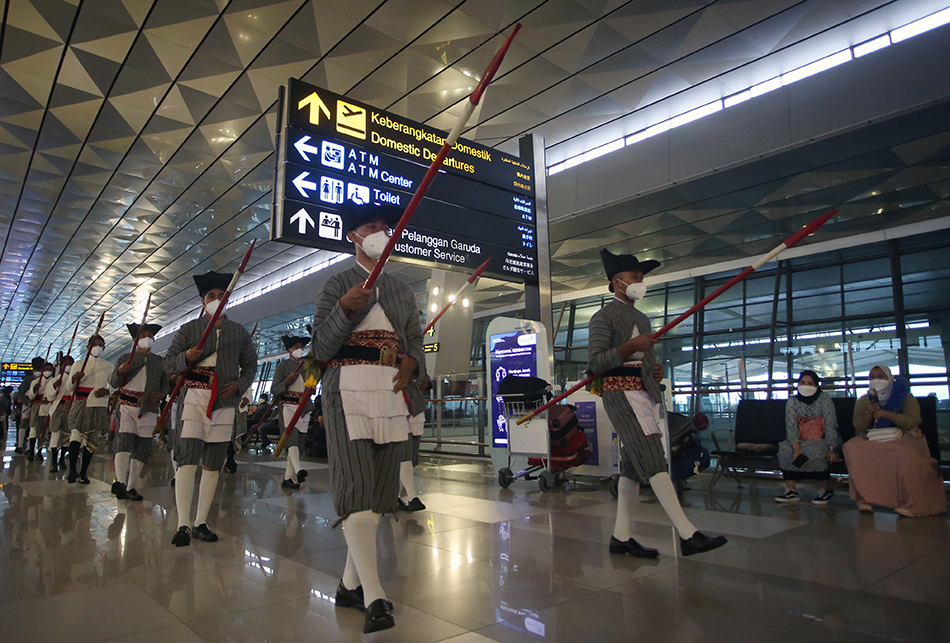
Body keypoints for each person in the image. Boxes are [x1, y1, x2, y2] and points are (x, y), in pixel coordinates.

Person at [312, 203, 423, 633]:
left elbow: (413, 338)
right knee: (356, 484)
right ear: (353, 236)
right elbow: (320, 349)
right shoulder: (336, 284)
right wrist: (344, 309)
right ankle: (374, 596)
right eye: (371, 226)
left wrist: (412, 360)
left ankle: (348, 585)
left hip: (390, 390)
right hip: (347, 388)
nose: (381, 233)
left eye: (385, 227)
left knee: (379, 490)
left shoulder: (401, 290)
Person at [591, 249, 728, 558]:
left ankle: (621, 537)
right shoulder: (603, 317)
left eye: (641, 277)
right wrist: (630, 346)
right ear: (617, 281)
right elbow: (596, 362)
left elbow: (646, 359)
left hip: (643, 393)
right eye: (635, 276)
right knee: (654, 459)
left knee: (631, 467)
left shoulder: (641, 318)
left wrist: (654, 370)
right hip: (620, 394)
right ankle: (688, 534)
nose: (640, 281)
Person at [165, 271, 258, 546]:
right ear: (202, 300)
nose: (216, 299)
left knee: (212, 464)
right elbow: (168, 362)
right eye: (211, 296)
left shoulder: (239, 332)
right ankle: (183, 524)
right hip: (193, 399)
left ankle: (201, 521)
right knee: (187, 461)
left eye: (221, 296)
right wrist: (185, 357)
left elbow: (251, 364)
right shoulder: (189, 329)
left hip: (224, 403)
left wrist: (239, 384)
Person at [842, 365, 945, 517]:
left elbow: (911, 421)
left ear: (889, 378)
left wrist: (886, 414)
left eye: (880, 376)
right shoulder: (865, 400)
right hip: (875, 436)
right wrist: (869, 413)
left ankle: (911, 503)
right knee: (852, 447)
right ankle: (864, 498)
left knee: (903, 453)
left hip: (905, 435)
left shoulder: (905, 397)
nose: (876, 380)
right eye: (872, 377)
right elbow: (859, 425)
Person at [110, 323, 171, 501]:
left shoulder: (160, 361)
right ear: (136, 340)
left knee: (143, 446)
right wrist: (120, 371)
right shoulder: (125, 358)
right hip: (126, 406)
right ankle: (121, 482)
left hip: (149, 407)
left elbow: (166, 383)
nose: (147, 339)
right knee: (123, 441)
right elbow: (114, 382)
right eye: (143, 336)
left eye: (150, 336)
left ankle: (132, 486)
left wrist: (162, 394)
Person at [775, 370, 841, 504]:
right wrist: (796, 447)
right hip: (799, 438)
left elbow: (830, 423)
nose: (805, 386)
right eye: (802, 382)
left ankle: (826, 489)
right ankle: (791, 490)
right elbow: (791, 425)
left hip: (822, 437)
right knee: (785, 450)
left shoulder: (824, 399)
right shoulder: (792, 401)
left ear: (816, 385)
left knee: (816, 450)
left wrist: (831, 447)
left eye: (810, 383)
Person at [67, 336, 114, 484]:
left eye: (101, 345)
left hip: (98, 404)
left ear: (104, 347)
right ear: (88, 347)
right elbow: (69, 387)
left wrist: (107, 391)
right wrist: (74, 378)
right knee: (76, 434)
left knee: (91, 439)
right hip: (80, 403)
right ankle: (72, 469)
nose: (97, 347)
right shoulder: (78, 364)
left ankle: (83, 472)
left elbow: (115, 385)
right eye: (95, 344)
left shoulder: (108, 366)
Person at [271, 331, 314, 490]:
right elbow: (274, 389)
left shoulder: (308, 366)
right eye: (296, 346)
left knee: (299, 441)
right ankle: (299, 470)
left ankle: (288, 478)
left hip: (303, 407)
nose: (300, 349)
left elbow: (311, 385)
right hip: (288, 406)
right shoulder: (282, 366)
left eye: (302, 346)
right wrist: (286, 382)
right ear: (289, 349)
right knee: (292, 439)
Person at [398, 375, 429, 512]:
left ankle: (401, 497)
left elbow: (425, 376)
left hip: (412, 407)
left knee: (408, 456)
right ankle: (411, 496)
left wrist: (427, 383)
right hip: (403, 406)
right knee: (405, 454)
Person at [44, 355, 75, 473]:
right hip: (58, 408)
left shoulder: (75, 378)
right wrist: (54, 387)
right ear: (61, 365)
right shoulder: (55, 380)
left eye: (70, 363)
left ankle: (62, 459)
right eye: (66, 363)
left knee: (67, 435)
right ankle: (53, 462)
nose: (68, 366)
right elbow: (49, 396)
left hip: (70, 408)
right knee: (55, 434)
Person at [15, 357, 45, 454]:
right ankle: (20, 445)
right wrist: (27, 402)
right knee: (24, 423)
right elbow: (20, 394)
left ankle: (30, 447)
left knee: (35, 425)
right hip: (27, 404)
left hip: (40, 404)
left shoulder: (45, 379)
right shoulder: (27, 380)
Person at [27, 360, 55, 461]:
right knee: (33, 429)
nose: (48, 371)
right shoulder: (35, 382)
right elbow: (31, 396)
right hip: (37, 407)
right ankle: (31, 451)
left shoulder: (54, 381)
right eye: (46, 369)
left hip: (47, 407)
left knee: (44, 430)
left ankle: (39, 451)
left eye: (50, 370)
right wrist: (34, 389)